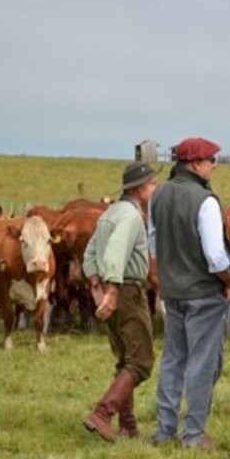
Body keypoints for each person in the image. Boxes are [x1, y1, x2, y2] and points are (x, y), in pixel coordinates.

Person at [149, 137, 230, 450]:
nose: (214, 165)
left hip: (172, 291)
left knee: (173, 359)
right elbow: (215, 254)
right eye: (211, 160)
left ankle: (164, 431)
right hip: (203, 292)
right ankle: (194, 435)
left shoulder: (158, 194)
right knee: (203, 363)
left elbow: (153, 244)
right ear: (196, 164)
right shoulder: (205, 200)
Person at [82, 160, 159, 442]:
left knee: (125, 359)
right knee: (141, 362)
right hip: (126, 291)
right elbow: (115, 254)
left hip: (111, 288)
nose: (155, 187)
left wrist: (96, 285)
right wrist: (112, 292)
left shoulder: (109, 213)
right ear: (140, 189)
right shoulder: (130, 216)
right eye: (152, 183)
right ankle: (103, 414)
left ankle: (128, 426)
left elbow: (90, 253)